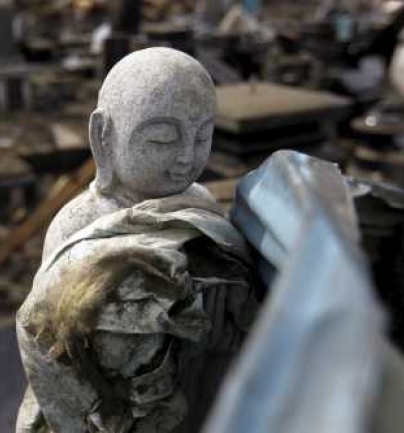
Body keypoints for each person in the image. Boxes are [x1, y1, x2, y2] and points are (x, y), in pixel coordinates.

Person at [16, 47, 258, 433]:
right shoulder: (80, 224)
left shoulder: (200, 203)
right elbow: (49, 339)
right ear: (103, 137)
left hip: (190, 385)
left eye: (202, 136)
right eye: (162, 140)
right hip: (112, 404)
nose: (186, 157)